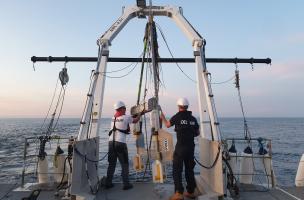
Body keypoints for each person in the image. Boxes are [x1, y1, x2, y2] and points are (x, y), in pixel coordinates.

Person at [160, 97, 200, 200]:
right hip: (191, 148)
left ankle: (179, 193)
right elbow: (197, 132)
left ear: (179, 106)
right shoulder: (193, 118)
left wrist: (163, 117)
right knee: (189, 169)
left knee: (177, 170)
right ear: (187, 107)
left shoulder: (177, 117)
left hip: (180, 148)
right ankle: (191, 191)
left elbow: (167, 125)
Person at [105, 100, 141, 190]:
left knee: (111, 164)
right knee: (124, 164)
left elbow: (126, 119)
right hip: (120, 143)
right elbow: (135, 120)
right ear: (121, 109)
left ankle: (108, 183)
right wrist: (140, 114)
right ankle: (126, 184)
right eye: (124, 108)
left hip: (111, 143)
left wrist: (132, 116)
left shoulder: (113, 118)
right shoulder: (125, 117)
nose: (125, 110)